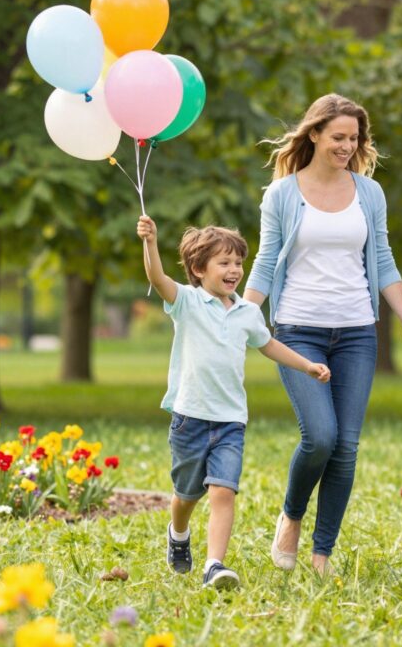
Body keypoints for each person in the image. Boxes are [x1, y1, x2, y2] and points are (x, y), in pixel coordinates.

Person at [244, 93, 402, 575]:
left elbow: (382, 261)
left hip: (357, 331)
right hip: (299, 329)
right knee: (319, 437)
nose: (347, 146)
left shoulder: (369, 193)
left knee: (346, 447)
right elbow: (264, 259)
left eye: (354, 139)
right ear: (314, 133)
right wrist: (239, 315)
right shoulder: (281, 194)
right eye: (338, 137)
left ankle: (322, 555)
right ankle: (292, 515)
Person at [137, 215, 330, 589]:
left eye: (238, 263)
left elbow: (268, 344)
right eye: (224, 263)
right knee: (186, 494)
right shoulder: (187, 302)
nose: (234, 270)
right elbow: (157, 279)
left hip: (230, 421)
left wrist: (307, 365)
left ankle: (214, 565)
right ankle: (178, 533)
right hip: (189, 419)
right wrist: (150, 243)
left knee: (224, 491)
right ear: (198, 269)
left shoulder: (246, 312)